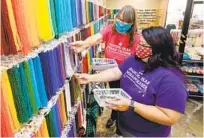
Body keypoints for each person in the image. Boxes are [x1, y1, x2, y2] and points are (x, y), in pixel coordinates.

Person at [75, 26, 188, 137]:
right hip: (125, 125)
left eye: (143, 45)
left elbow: (169, 117)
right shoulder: (136, 59)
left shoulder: (172, 80)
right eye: (139, 42)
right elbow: (116, 72)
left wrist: (131, 105)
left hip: (148, 134)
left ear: (158, 49)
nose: (138, 47)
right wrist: (90, 78)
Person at [71, 5, 140, 135]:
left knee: (124, 100)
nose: (121, 24)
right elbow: (97, 37)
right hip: (111, 73)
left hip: (128, 77)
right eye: (119, 19)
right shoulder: (110, 30)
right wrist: (84, 43)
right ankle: (114, 117)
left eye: (125, 22)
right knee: (115, 95)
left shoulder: (136, 38)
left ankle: (121, 128)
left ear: (132, 24)